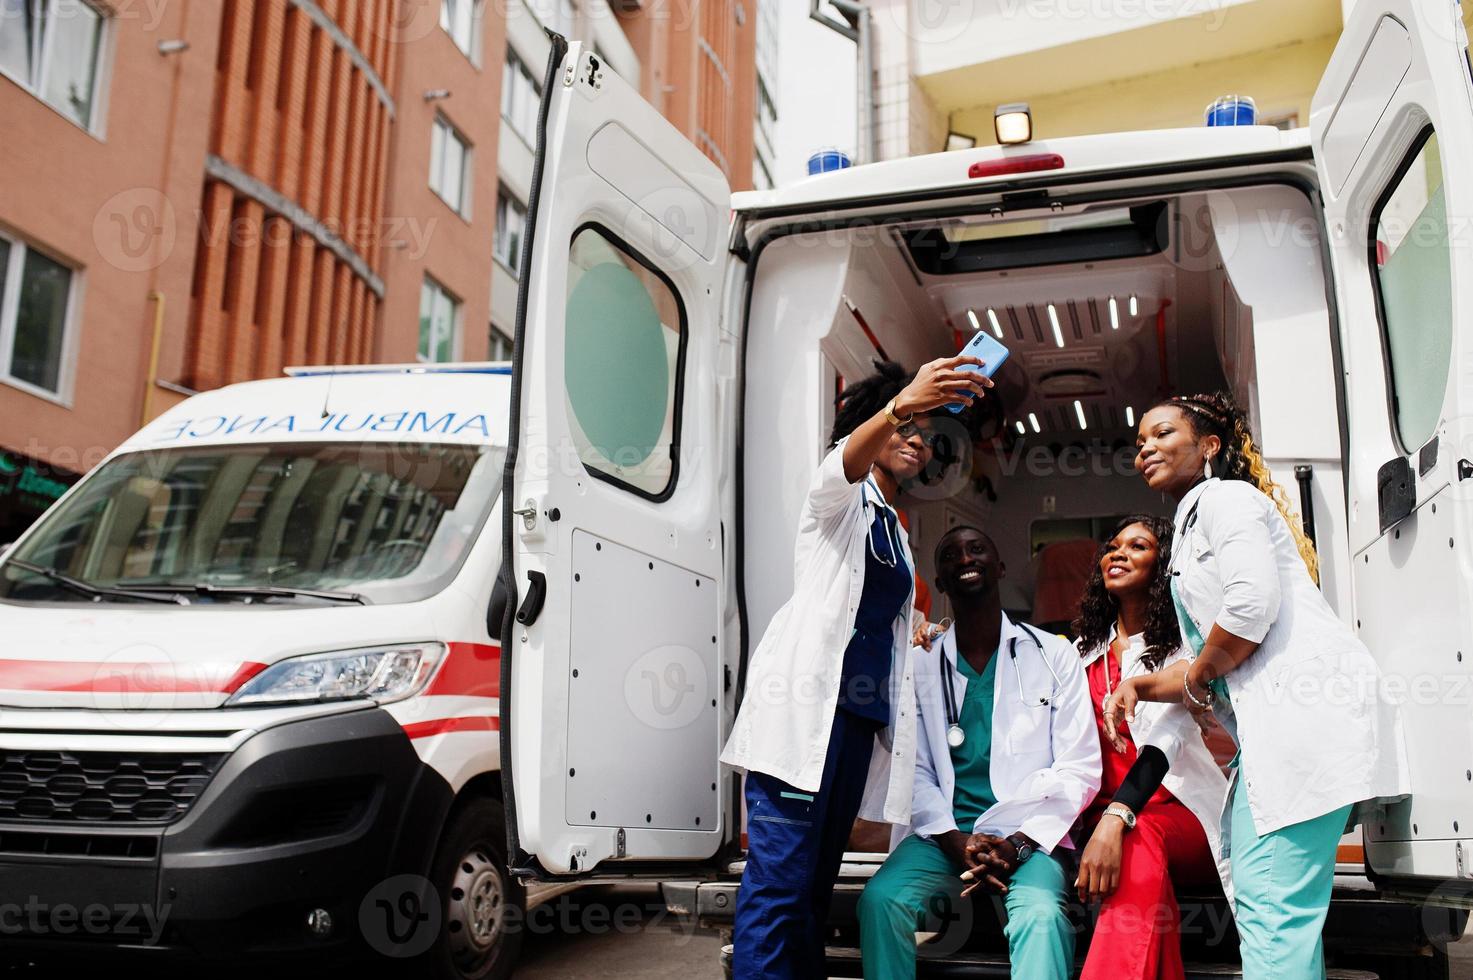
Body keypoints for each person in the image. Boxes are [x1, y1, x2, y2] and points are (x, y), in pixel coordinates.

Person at [1107, 392, 1407, 979]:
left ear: (1209, 446)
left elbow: (1249, 606)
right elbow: (1206, 650)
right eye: (1140, 441)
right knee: (1274, 918)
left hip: (1301, 726)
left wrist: (1195, 679)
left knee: (1272, 916)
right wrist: (1143, 687)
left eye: (1163, 434)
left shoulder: (1227, 499)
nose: (1146, 448)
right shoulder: (1194, 521)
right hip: (1279, 741)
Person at [720, 356, 992, 980]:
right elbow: (845, 460)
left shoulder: (892, 528)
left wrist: (915, 630)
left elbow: (871, 612)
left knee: (814, 890)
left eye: (925, 435)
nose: (917, 441)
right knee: (779, 888)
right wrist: (902, 403)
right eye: (906, 428)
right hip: (803, 721)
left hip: (853, 725)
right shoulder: (836, 496)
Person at [858, 526, 1100, 980]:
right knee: (881, 901)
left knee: (1041, 918)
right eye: (951, 554)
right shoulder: (921, 663)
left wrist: (1020, 843)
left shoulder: (1053, 655)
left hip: (1030, 838)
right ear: (941, 581)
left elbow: (1079, 767)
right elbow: (914, 767)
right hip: (943, 836)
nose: (965, 558)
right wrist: (954, 839)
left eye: (977, 549)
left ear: (1001, 567)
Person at [1071, 515, 1229, 980]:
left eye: (1137, 546)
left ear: (1162, 567)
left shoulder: (1183, 651)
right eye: (1113, 546)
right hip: (1099, 819)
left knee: (1138, 840)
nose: (1117, 553)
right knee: (1145, 885)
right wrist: (936, 633)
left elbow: (1164, 742)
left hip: (1178, 816)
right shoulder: (1081, 650)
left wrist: (1114, 820)